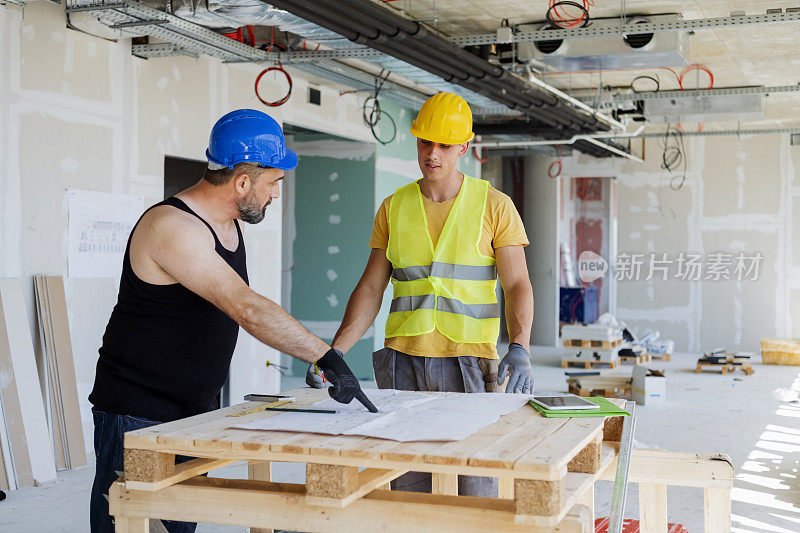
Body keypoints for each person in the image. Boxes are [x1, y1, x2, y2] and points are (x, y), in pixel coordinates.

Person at [88, 109, 374, 533]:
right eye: (275, 183)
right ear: (243, 181)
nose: (277, 195)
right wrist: (326, 356)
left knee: (179, 524)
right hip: (138, 413)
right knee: (134, 524)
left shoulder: (228, 224)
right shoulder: (173, 226)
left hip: (193, 412)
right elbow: (245, 307)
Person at [307, 92, 534, 497]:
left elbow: (518, 284)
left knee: (475, 476)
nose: (433, 154)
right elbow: (371, 286)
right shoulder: (394, 207)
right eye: (425, 143)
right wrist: (335, 351)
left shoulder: (494, 206)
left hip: (469, 361)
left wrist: (520, 346)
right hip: (403, 360)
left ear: (464, 147)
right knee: (405, 476)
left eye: (445, 145)